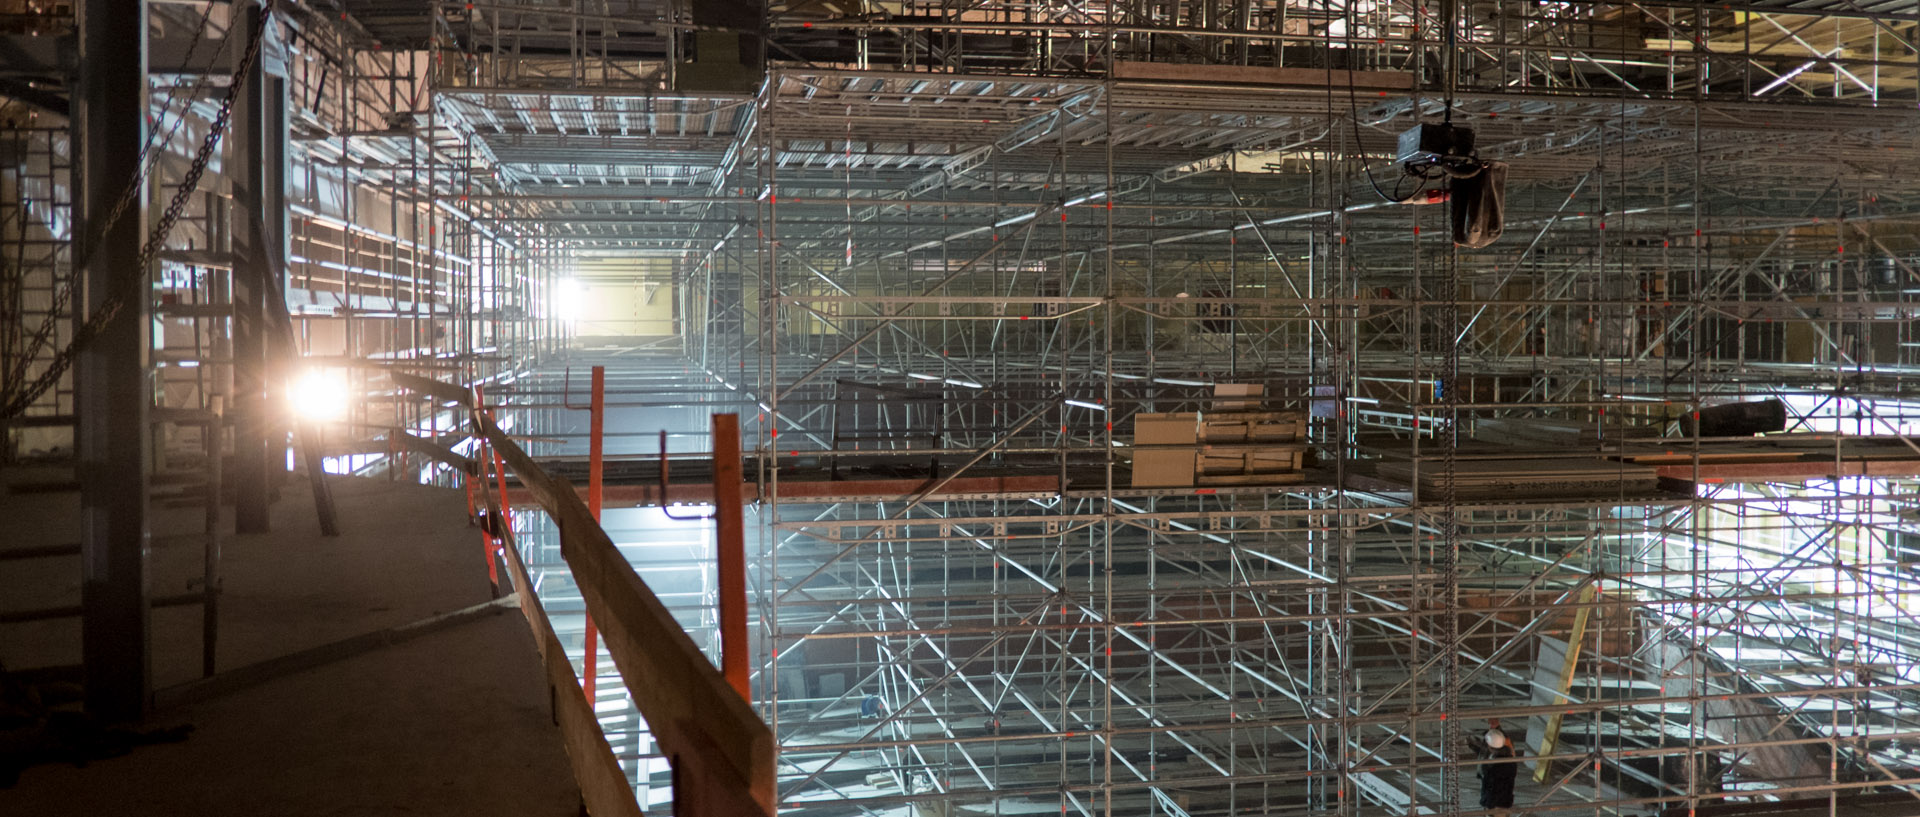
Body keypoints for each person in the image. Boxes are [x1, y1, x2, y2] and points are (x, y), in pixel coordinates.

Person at [1479, 724, 1520, 816]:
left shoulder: (1495, 764)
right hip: (1502, 801)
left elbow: (1489, 781)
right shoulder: (1509, 758)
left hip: (1496, 803)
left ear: (1489, 746)